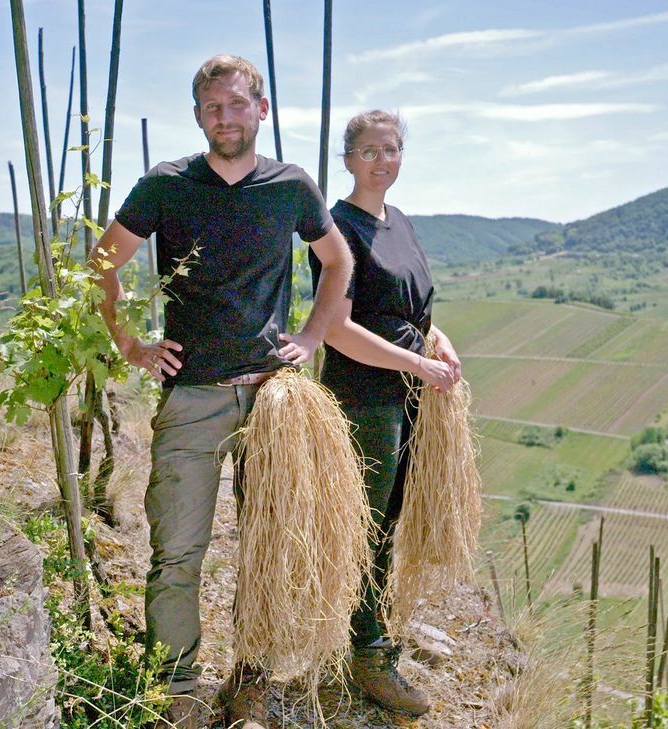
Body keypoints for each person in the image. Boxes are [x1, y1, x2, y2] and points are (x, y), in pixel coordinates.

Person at [89, 55, 353, 729]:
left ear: (260, 111)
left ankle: (251, 684)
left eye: (236, 105)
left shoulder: (289, 186)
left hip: (273, 400)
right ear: (198, 114)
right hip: (192, 397)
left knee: (268, 545)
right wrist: (130, 344)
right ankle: (179, 688)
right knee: (177, 548)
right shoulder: (167, 184)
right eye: (211, 107)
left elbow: (337, 262)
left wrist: (311, 336)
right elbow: (101, 265)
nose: (224, 118)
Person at [309, 110, 461, 717]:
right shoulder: (337, 227)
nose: (381, 160)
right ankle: (367, 654)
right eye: (368, 150)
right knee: (367, 524)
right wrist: (416, 363)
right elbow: (338, 329)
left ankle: (365, 642)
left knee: (390, 519)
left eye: (391, 149)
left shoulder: (398, 223)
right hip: (366, 395)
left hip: (407, 392)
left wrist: (439, 340)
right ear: (347, 160)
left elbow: (413, 307)